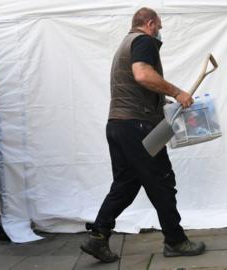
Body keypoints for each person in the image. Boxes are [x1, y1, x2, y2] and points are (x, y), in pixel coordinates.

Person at [80, 7, 206, 263]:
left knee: (126, 184)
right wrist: (178, 92)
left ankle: (98, 236)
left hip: (118, 125)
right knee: (162, 181)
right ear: (149, 23)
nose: (159, 33)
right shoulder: (143, 40)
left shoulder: (124, 45)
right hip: (137, 126)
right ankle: (176, 241)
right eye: (158, 28)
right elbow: (142, 74)